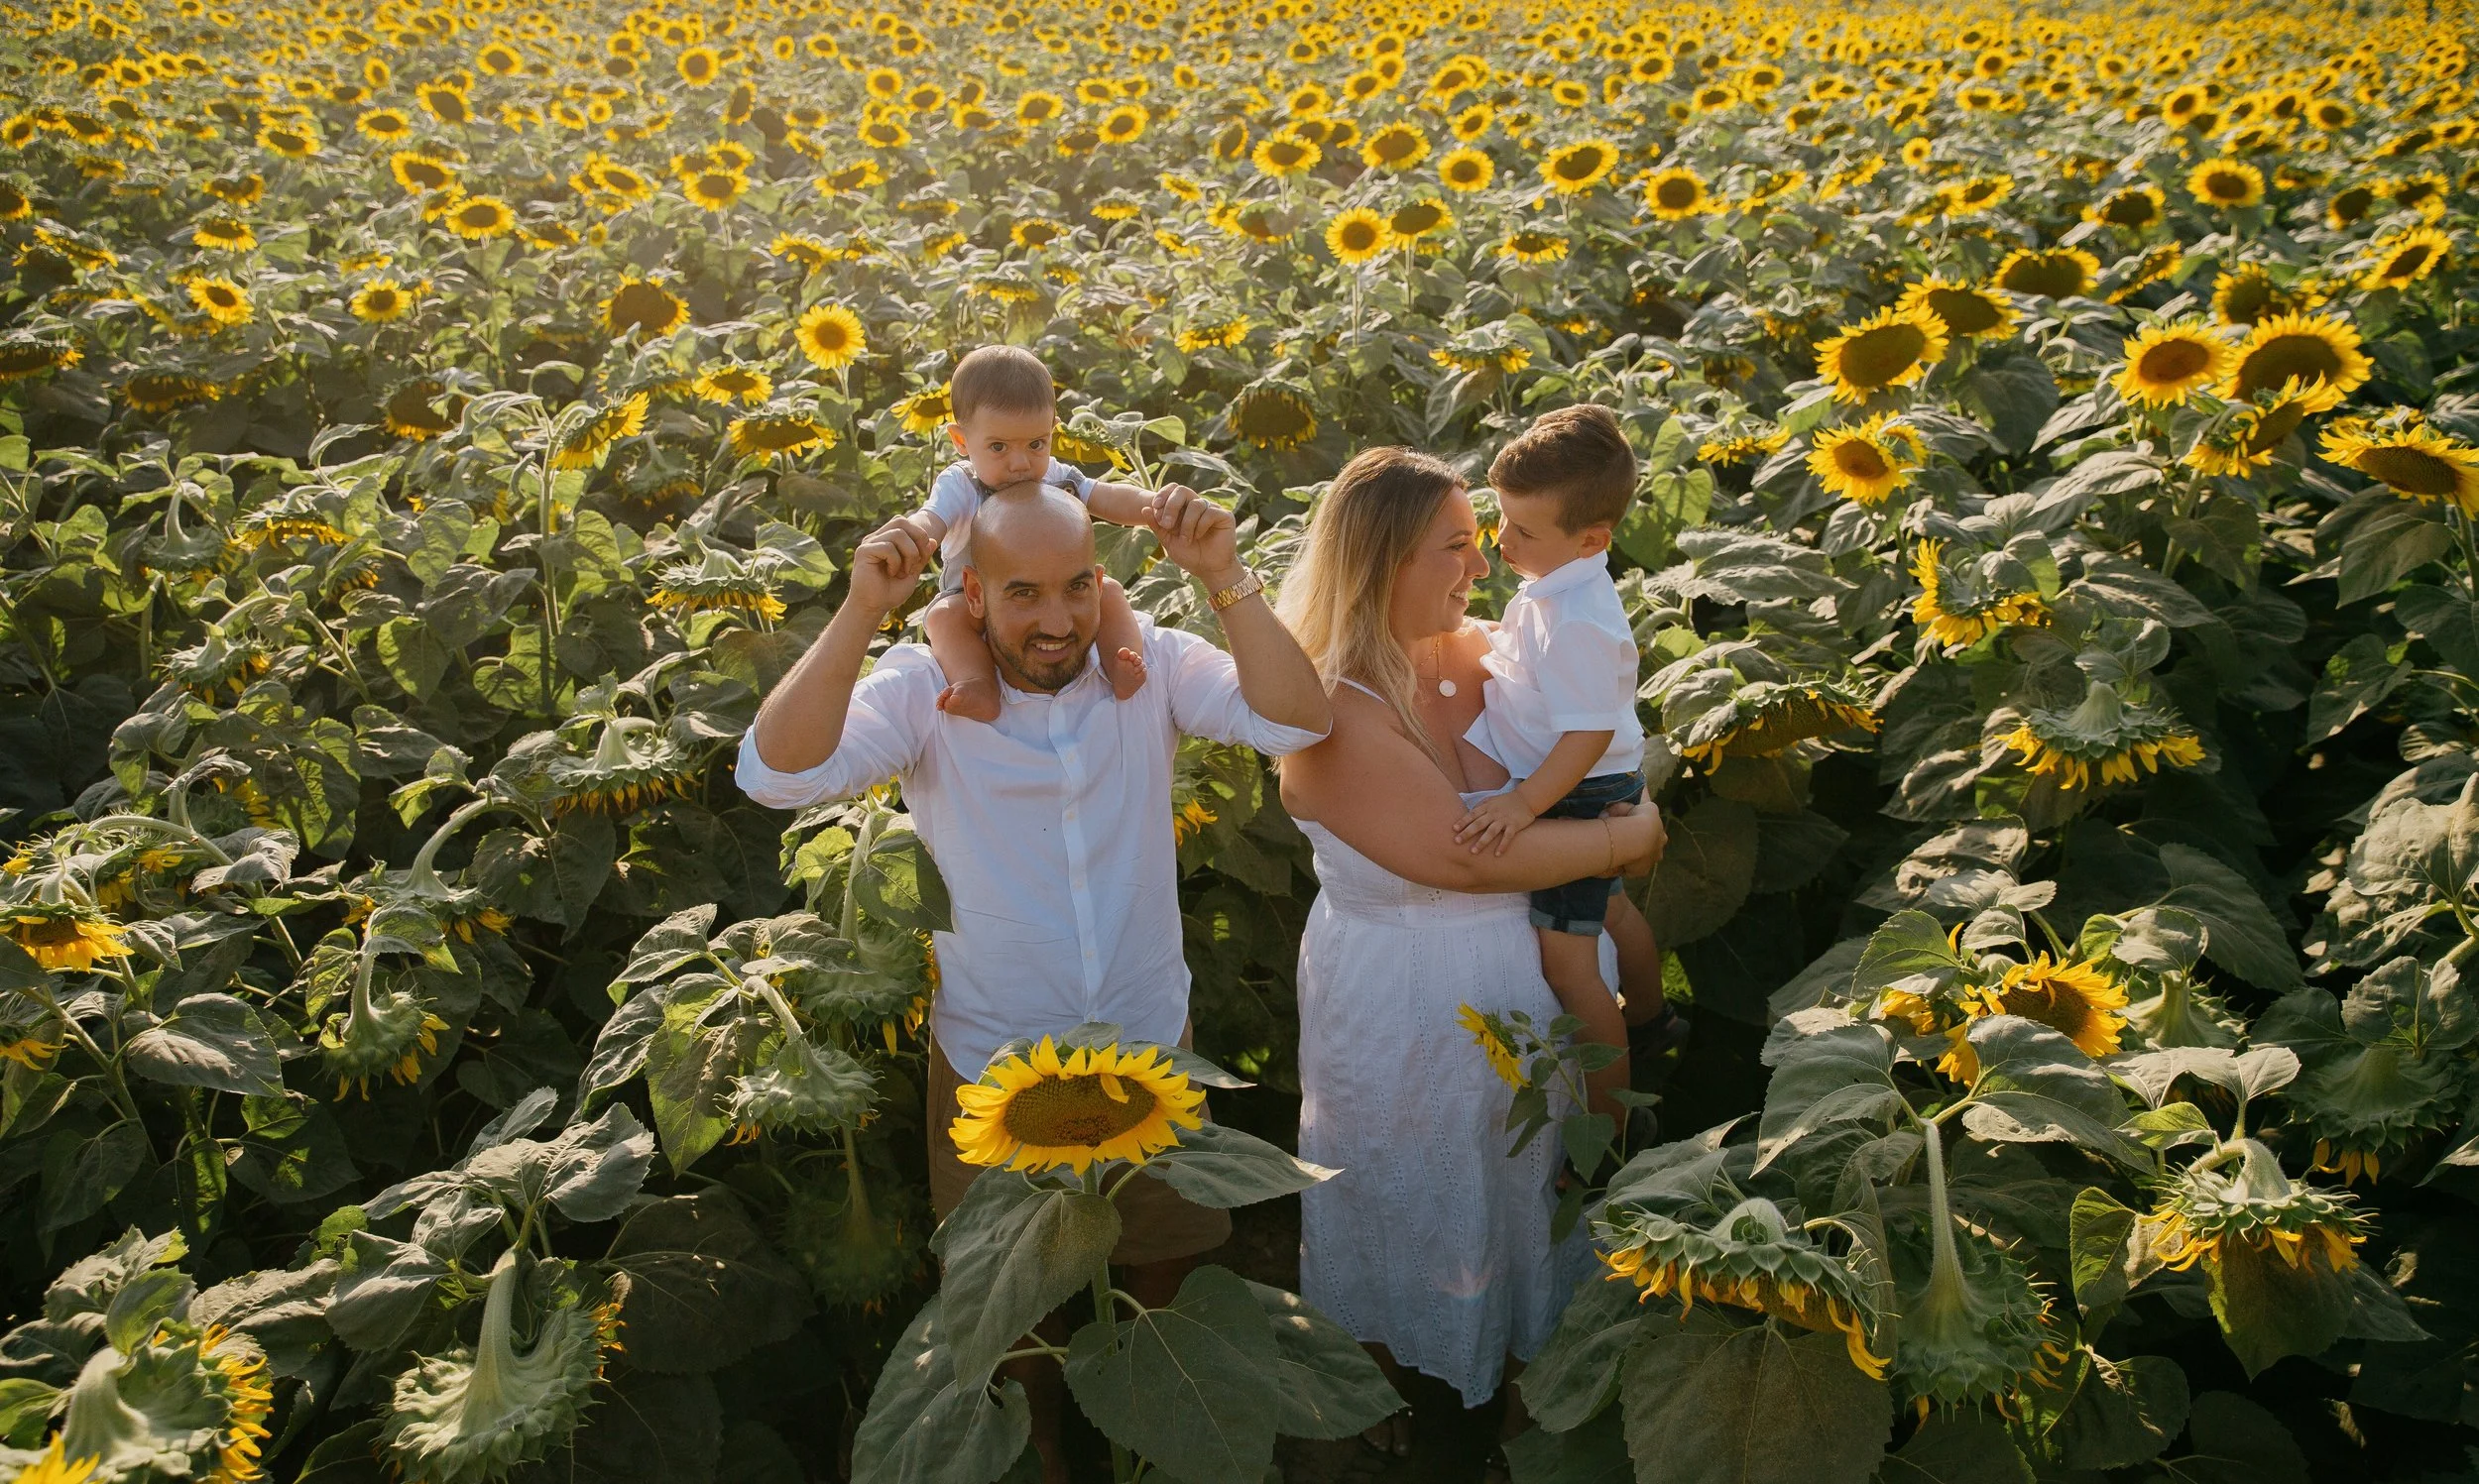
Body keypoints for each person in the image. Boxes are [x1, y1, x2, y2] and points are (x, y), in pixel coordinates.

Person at [737, 481, 1330, 1484]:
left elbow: (1296, 721)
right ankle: (1049, 1454)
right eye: (1023, 595)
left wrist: (1225, 576)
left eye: (1078, 586)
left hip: (1148, 1041)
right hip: (996, 1061)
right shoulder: (923, 691)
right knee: (1015, 1306)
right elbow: (773, 772)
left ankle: (1152, 1443)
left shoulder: (1153, 673)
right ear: (969, 594)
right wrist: (858, 609)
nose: (1057, 621)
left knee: (1165, 1266)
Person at [1274, 447, 1668, 1473]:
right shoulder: (1333, 707)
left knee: (1531, 1187)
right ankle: (1375, 1399)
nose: (1481, 561)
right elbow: (1458, 858)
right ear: (1383, 561)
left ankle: (1523, 1392)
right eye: (1453, 545)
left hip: (1527, 975)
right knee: (1404, 1194)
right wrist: (1627, 841)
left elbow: (1601, 743)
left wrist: (1618, 810)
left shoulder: (1490, 648)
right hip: (1404, 998)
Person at [1451, 405, 1689, 1118]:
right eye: (1501, 517)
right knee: (1611, 912)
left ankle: (1613, 1121)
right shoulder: (1564, 590)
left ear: (1591, 538)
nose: (1502, 540)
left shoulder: (1578, 619)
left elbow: (1582, 735)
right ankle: (1652, 1018)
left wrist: (1524, 804)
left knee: (1570, 965)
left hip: (1577, 788)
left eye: (1523, 531)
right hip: (1591, 779)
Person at [895, 344, 1154, 722]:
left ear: (1052, 430)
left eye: (1036, 444)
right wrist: (914, 536)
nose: (1020, 463)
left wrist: (1154, 507)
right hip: (971, 601)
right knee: (942, 618)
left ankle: (1122, 663)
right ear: (961, 441)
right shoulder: (961, 484)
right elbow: (931, 518)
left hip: (1051, 593)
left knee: (1109, 592)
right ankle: (977, 683)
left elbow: (1107, 496)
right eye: (998, 447)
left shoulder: (1054, 475)